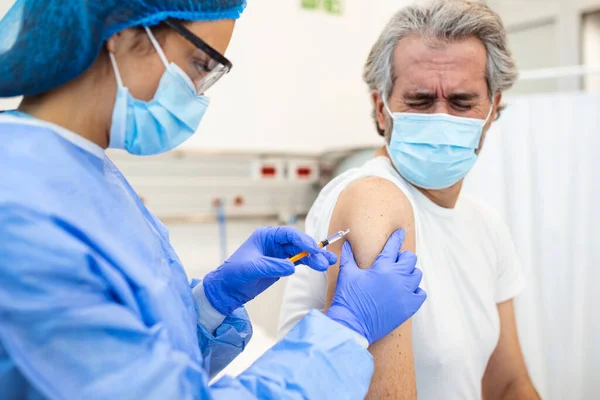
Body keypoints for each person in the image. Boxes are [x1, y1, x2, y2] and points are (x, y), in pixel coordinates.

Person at [0, 1, 428, 399]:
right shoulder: (18, 209)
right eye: (200, 64)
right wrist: (347, 332)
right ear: (124, 33)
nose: (199, 94)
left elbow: (135, 349)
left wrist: (209, 303)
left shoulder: (81, 170)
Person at [278, 1, 541, 399]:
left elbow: (507, 385)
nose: (440, 117)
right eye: (419, 101)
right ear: (381, 109)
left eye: (461, 101)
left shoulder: (487, 225)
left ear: (492, 108)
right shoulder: (372, 198)